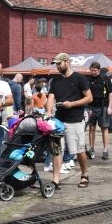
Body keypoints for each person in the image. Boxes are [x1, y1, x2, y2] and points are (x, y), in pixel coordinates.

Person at [46, 53, 92, 189]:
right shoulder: (55, 81)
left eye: (59, 64)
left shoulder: (79, 78)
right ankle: (56, 179)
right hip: (59, 120)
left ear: (67, 62)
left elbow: (89, 98)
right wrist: (48, 113)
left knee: (78, 150)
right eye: (56, 64)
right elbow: (50, 98)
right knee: (57, 150)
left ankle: (84, 174)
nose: (57, 66)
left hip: (75, 119)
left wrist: (72, 104)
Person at [85, 62, 112, 160]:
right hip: (91, 107)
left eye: (95, 71)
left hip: (103, 106)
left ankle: (105, 150)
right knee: (91, 128)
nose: (93, 72)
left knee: (104, 128)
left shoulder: (105, 79)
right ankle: (91, 148)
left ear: (99, 70)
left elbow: (110, 93)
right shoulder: (87, 80)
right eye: (92, 70)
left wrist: (110, 107)